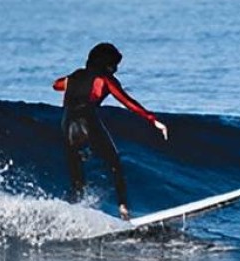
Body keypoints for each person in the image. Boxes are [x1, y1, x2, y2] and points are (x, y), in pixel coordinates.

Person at [53, 42, 168, 220]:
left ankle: (76, 215)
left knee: (77, 176)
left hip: (67, 123)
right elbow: (128, 102)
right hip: (87, 119)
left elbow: (56, 85)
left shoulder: (74, 76)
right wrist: (153, 120)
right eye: (113, 65)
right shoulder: (105, 79)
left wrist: (74, 81)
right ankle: (123, 210)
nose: (115, 69)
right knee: (114, 164)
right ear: (106, 64)